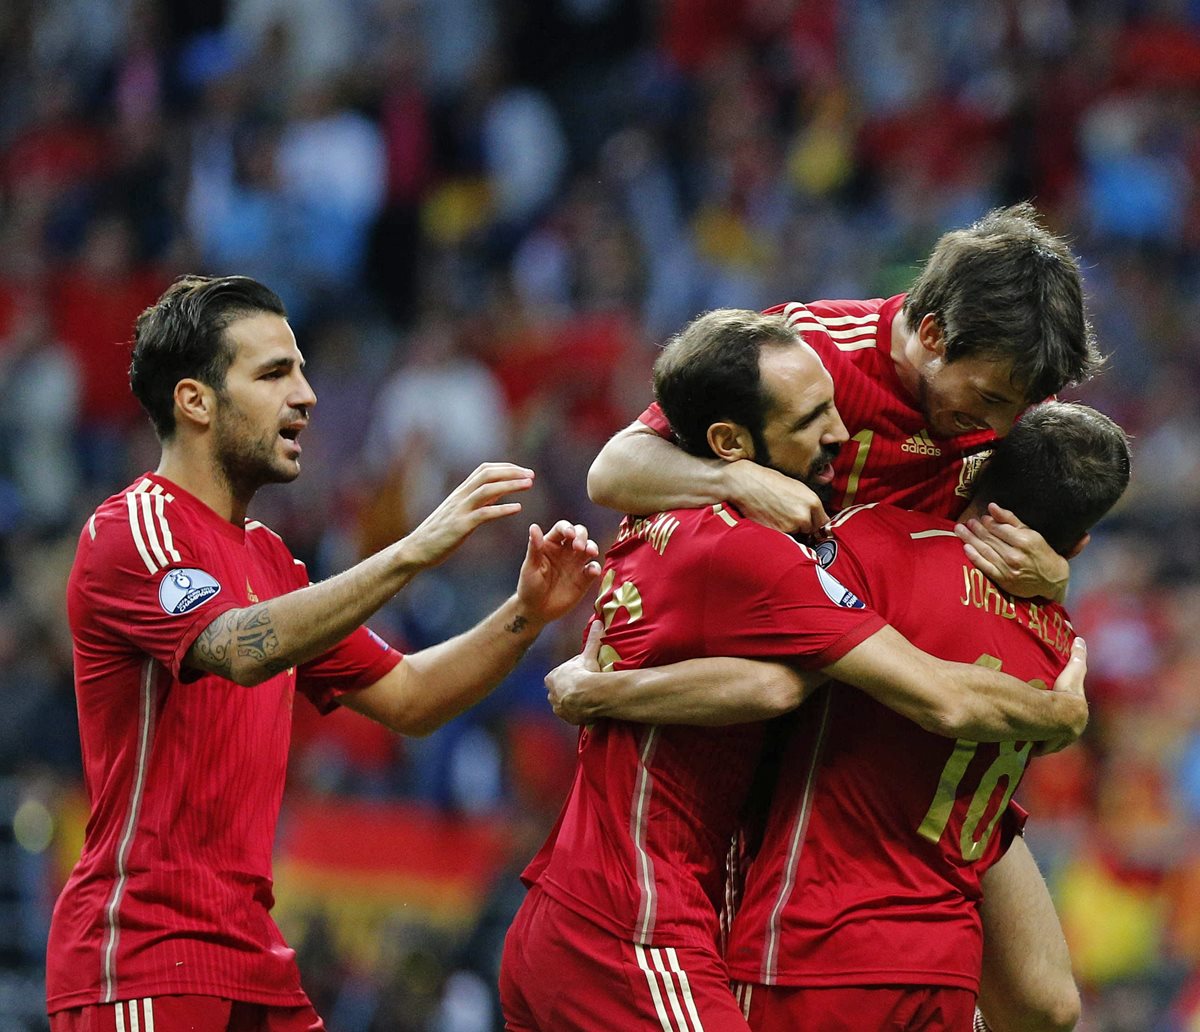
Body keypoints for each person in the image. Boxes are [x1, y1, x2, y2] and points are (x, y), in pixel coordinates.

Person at [499, 310, 1090, 1032]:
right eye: (814, 419)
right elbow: (906, 694)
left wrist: (605, 689)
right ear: (731, 445)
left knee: (1046, 1000)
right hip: (637, 925)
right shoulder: (762, 554)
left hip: (588, 900)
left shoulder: (656, 516)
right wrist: (1062, 713)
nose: (843, 437)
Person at [45, 275, 602, 1032]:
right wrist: (410, 551)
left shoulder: (271, 560)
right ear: (195, 401)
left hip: (252, 953)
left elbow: (409, 697)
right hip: (144, 953)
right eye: (274, 373)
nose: (305, 395)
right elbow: (238, 647)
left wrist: (525, 614)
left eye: (302, 369)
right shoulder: (132, 530)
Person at [587, 202, 1104, 602]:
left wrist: (1054, 580)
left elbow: (1020, 556)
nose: (1001, 426)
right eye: (987, 398)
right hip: (753, 625)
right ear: (932, 335)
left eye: (1019, 405)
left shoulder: (1017, 395)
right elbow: (612, 473)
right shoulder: (807, 353)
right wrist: (735, 478)